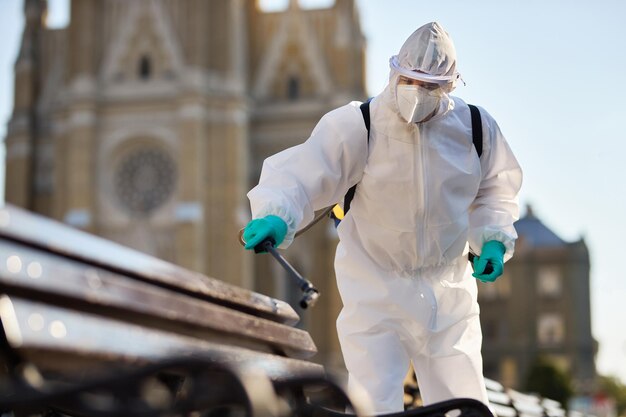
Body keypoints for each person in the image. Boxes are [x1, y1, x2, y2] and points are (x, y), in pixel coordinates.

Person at [243, 21, 522, 414]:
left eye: (431, 86)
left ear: (450, 86)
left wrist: (492, 239)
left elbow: (495, 189)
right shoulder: (361, 123)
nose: (419, 93)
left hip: (449, 290)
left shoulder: (475, 128)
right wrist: (277, 215)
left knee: (465, 402)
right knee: (375, 402)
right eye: (411, 81)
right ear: (396, 73)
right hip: (376, 286)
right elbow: (306, 171)